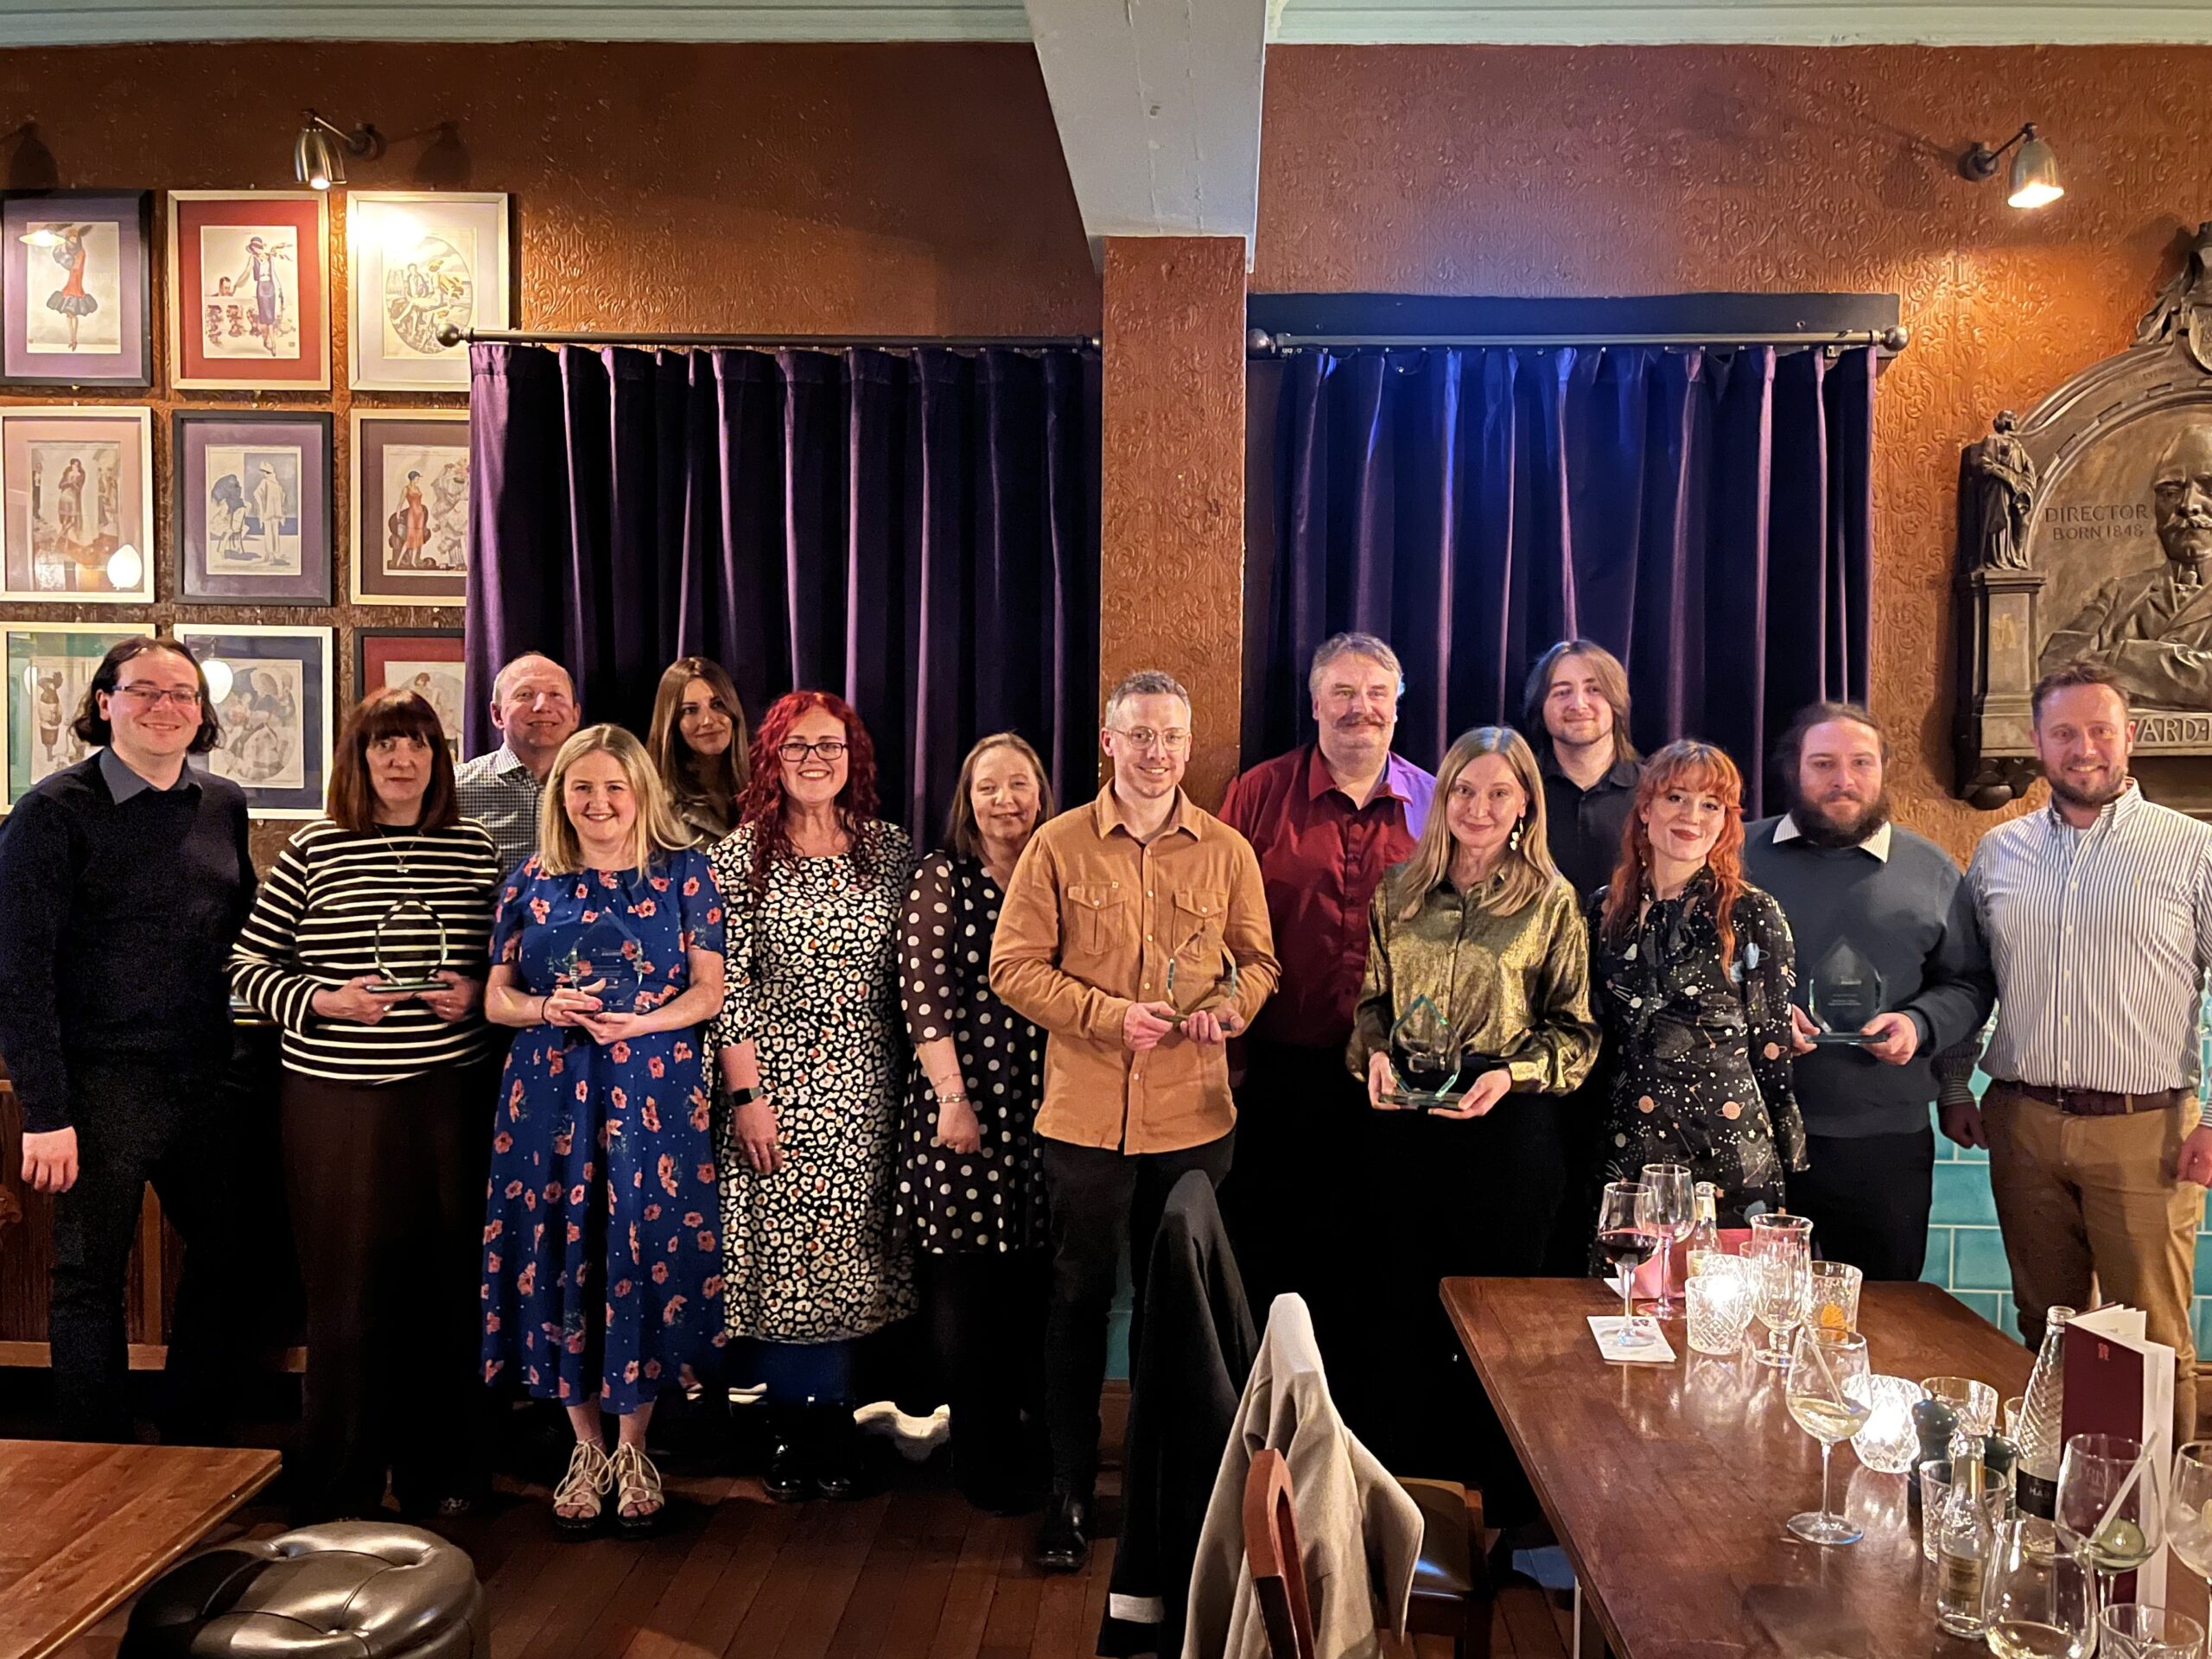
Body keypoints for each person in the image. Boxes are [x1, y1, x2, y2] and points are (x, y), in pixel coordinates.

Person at [991, 669, 1280, 1573]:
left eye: (1169, 737)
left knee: (1173, 1310)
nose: (1155, 753)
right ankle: (1069, 1489)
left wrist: (1229, 1012)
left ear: (1187, 749)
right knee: (1077, 1300)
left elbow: (1258, 963)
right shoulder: (1057, 845)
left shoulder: (1227, 850)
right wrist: (1107, 1015)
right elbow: (1013, 968)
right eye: (1138, 735)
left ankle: (1169, 1490)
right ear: (1108, 742)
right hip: (1082, 1118)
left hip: (1194, 1114)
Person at [228, 688, 501, 1520]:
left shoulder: (477, 850)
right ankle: (340, 1479)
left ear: (438, 758)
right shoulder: (313, 850)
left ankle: (444, 1473)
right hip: (335, 1104)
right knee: (346, 1292)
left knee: (445, 1288)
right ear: (359, 757)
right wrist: (324, 999)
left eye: (417, 744)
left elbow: (513, 968)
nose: (401, 760)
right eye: (384, 745)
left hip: (448, 1099)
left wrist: (476, 993)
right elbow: (244, 975)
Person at [0, 639, 257, 1442]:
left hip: (207, 1077)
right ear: (105, 701)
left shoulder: (223, 804)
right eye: (144, 691)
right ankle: (95, 1453)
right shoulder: (50, 814)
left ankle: (193, 1436)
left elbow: (238, 933)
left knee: (233, 1250)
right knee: (88, 1277)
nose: (165, 707)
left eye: (182, 694)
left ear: (202, 713)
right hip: (98, 1084)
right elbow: (19, 971)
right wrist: (45, 1110)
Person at [479, 725, 728, 1538]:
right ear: (562, 797)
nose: (598, 803)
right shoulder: (531, 880)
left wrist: (642, 1024)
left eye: (614, 788)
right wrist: (548, 1007)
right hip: (549, 1092)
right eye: (582, 788)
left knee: (641, 1246)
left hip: (651, 1088)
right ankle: (585, 1446)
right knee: (563, 1250)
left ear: (641, 794)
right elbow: (495, 1001)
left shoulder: (687, 873)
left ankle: (635, 1447)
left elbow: (709, 993)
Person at [1962, 661, 2212, 1443]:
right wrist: (1949, 1087)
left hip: (2147, 1131)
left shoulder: (2193, 850)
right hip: (2023, 1123)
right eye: (2064, 732)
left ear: (2129, 738)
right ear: (2036, 741)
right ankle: (2059, 1504)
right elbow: (1964, 979)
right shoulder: (1997, 854)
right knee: (2048, 1328)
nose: (2084, 748)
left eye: (2101, 730)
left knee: (2153, 1342)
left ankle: (2159, 1538)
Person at [1346, 725, 1597, 1493]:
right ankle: (1401, 1496)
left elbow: (1577, 1036)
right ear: (1441, 797)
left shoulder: (1552, 902)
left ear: (1525, 802)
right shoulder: (1399, 890)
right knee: (1397, 1312)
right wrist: (1375, 1054)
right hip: (1404, 1130)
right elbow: (1371, 1006)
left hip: (1506, 1132)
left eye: (1498, 792)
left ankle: (1491, 1501)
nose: (1479, 807)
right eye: (1463, 790)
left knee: (1497, 1324)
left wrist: (1513, 1074)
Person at [710, 691, 917, 1503]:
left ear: (852, 757)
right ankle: (795, 1422)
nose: (814, 761)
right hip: (776, 1084)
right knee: (787, 1260)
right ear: (771, 758)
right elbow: (725, 987)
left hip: (871, 1080)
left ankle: (838, 1413)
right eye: (796, 748)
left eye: (829, 747)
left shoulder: (890, 852)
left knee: (856, 1259)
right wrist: (747, 1095)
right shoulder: (735, 859)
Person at [1216, 632, 1433, 1326]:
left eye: (1375, 693)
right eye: (1342, 691)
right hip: (1280, 1070)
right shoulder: (1258, 793)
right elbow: (1216, 930)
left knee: (1377, 1262)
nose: (1359, 708)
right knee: (1273, 1256)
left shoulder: (1437, 804)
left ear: (1397, 705)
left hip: (1395, 1077)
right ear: (1314, 703)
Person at [1744, 702, 1995, 1281]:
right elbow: (1696, 976)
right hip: (1755, 1132)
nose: (1843, 780)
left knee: (1885, 1317)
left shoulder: (1931, 869)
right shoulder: (1736, 857)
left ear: (1883, 769)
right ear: (1794, 771)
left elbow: (1969, 982)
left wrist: (1921, 1024)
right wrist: (1762, 1019)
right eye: (1824, 763)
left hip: (1883, 1141)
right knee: (1752, 1317)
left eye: (1861, 763)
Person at [898, 732, 1056, 1513]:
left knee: (1031, 1283)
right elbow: (923, 996)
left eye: (1019, 784)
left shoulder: (1061, 866)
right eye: (989, 786)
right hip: (963, 1106)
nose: (1005, 800)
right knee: (967, 1285)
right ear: (968, 797)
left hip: (1051, 1106)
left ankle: (1028, 1439)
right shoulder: (943, 877)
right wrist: (953, 1100)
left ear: (1041, 791)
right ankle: (979, 1454)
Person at [1589, 740, 1805, 1220]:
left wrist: (1786, 1145)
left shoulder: (1753, 912)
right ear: (1645, 808)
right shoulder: (1603, 909)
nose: (1692, 815)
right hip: (1627, 1138)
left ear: (1726, 822)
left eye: (1711, 805)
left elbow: (1772, 1050)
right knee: (1623, 1290)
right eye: (1676, 798)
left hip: (1726, 1144)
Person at [2041, 426, 2212, 707]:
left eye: (2210, 489)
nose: (2188, 505)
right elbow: (2054, 667)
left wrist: (2121, 657)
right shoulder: (2122, 593)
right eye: (2170, 492)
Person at [1524, 639, 1641, 901]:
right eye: (1562, 692)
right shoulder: (1519, 789)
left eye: (1594, 690)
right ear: (1540, 707)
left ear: (1617, 702)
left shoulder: (1653, 793)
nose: (1578, 704)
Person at [455, 652, 580, 880]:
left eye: (555, 694)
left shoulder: (605, 789)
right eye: (525, 695)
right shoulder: (454, 789)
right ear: (497, 714)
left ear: (575, 715)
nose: (542, 706)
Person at [646, 656, 750, 844]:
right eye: (690, 710)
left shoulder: (762, 790)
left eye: (717, 704)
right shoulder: (657, 805)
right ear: (672, 723)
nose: (708, 721)